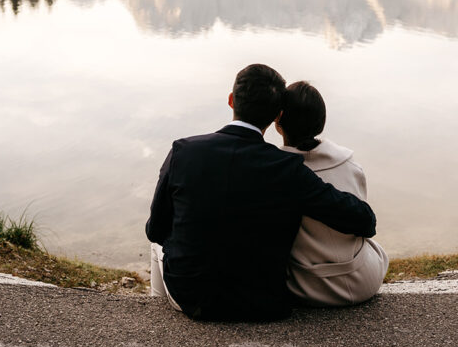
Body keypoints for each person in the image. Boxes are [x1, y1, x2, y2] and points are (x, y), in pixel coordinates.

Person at [146, 64, 377, 321]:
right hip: (262, 304)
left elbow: (155, 230)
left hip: (191, 299)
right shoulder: (286, 167)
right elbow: (362, 220)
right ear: (276, 115)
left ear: (232, 100)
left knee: (156, 245)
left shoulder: (184, 151)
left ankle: (159, 318)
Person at [276, 81, 389, 306]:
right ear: (321, 120)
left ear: (278, 120)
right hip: (365, 279)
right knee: (373, 248)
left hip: (307, 286)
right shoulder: (348, 163)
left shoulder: (277, 173)